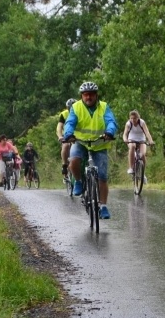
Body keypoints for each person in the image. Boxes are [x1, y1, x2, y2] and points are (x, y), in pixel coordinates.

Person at [62, 81, 118, 219]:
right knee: (73, 160)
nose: (89, 97)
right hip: (80, 142)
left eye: (91, 94)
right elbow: (70, 122)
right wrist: (68, 134)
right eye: (86, 94)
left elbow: (111, 121)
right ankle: (78, 181)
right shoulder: (76, 107)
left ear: (96, 95)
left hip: (99, 144)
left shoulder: (104, 106)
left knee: (102, 176)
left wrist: (110, 132)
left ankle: (103, 206)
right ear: (82, 96)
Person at [122, 110, 155, 176]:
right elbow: (125, 134)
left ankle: (143, 173)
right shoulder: (128, 124)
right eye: (131, 118)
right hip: (131, 139)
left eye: (134, 118)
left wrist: (150, 141)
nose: (133, 120)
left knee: (142, 155)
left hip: (141, 140)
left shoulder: (142, 123)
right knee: (132, 146)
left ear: (138, 118)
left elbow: (147, 133)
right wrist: (125, 139)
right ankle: (131, 168)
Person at [56, 98, 76, 178]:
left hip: (78, 135)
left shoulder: (81, 112)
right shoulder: (64, 114)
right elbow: (59, 127)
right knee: (66, 145)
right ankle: (64, 165)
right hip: (67, 135)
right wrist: (60, 136)